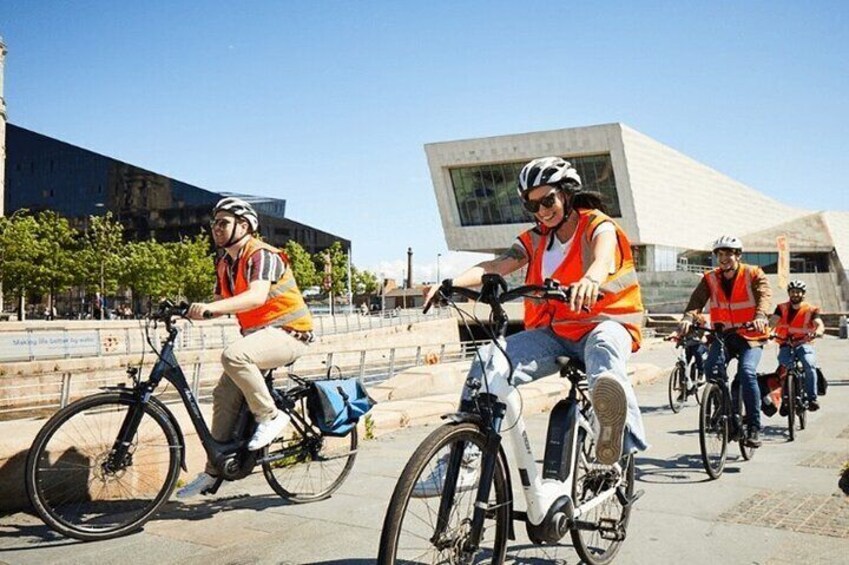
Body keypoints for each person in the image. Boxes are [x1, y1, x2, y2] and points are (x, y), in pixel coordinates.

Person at [421, 156, 647, 483]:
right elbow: (498, 264)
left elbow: (602, 257)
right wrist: (451, 283)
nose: (542, 211)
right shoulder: (536, 238)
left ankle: (611, 440)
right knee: (488, 359)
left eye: (548, 201)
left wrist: (590, 280)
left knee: (602, 348)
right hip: (556, 333)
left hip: (608, 324)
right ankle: (463, 463)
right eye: (532, 206)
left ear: (567, 194)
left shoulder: (598, 225)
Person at [177, 197, 315, 498]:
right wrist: (185, 310)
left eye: (223, 222)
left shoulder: (261, 254)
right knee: (223, 393)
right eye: (214, 223)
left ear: (245, 225)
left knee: (233, 355)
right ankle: (214, 474)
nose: (216, 228)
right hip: (261, 337)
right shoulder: (225, 263)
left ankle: (270, 416)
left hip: (291, 334)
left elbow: (255, 297)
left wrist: (211, 310)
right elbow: (222, 304)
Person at [678, 235, 771, 448]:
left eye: (728, 253)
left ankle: (754, 427)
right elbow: (696, 301)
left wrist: (760, 316)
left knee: (747, 372)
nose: (723, 258)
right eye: (720, 254)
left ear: (738, 255)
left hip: (750, 336)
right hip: (724, 336)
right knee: (711, 369)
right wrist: (687, 318)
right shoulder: (710, 278)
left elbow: (764, 295)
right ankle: (725, 410)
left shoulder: (753, 273)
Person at [769, 279, 825, 411]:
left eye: (798, 292)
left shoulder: (811, 309)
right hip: (785, 343)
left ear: (803, 294)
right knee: (783, 368)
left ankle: (812, 398)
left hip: (804, 343)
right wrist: (767, 331)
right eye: (793, 292)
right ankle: (785, 400)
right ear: (789, 293)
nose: (795, 294)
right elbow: (773, 321)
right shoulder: (781, 308)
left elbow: (819, 323)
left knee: (809, 364)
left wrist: (818, 332)